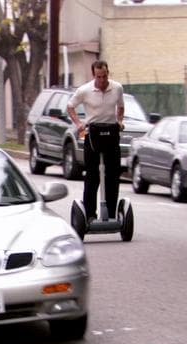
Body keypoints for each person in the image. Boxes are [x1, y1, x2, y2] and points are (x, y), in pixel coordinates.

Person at [66, 60, 125, 223]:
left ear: (108, 73)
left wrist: (120, 121)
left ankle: (112, 214)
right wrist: (78, 124)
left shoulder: (117, 88)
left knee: (113, 174)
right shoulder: (84, 90)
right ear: (94, 75)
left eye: (105, 76)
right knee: (92, 175)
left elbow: (120, 107)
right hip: (92, 133)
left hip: (111, 132)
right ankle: (90, 214)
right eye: (99, 77)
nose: (102, 80)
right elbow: (70, 106)